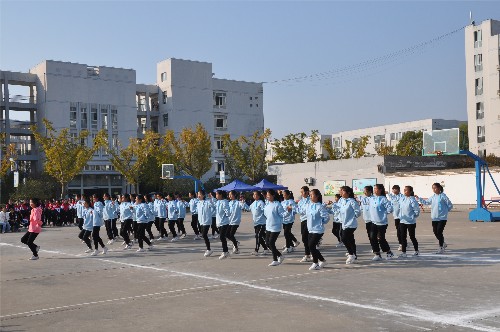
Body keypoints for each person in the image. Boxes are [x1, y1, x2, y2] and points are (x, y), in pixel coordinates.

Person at [416, 182, 453, 254]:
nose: (434, 189)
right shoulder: (433, 197)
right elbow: (426, 202)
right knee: (435, 232)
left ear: (439, 188)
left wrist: (445, 211)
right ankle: (443, 243)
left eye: (435, 188)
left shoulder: (443, 196)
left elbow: (450, 205)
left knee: (439, 231)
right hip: (434, 217)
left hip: (442, 218)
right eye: (433, 188)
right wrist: (419, 198)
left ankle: (441, 247)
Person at [369, 184, 395, 261]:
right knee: (372, 238)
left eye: (376, 189)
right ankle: (377, 253)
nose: (374, 190)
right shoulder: (372, 198)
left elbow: (390, 208)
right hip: (374, 222)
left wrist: (384, 213)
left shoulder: (384, 199)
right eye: (374, 189)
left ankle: (389, 252)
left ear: (380, 190)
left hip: (382, 222)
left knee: (380, 238)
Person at [306, 189, 330, 270]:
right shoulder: (309, 205)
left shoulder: (320, 206)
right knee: (311, 247)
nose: (310, 196)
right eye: (310, 195)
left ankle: (315, 263)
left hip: (318, 230)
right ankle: (323, 260)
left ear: (317, 196)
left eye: (312, 195)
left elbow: (326, 217)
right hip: (310, 229)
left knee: (311, 245)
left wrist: (321, 222)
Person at [338, 186, 361, 264]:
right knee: (350, 239)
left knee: (344, 238)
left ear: (348, 193)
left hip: (351, 224)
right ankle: (354, 254)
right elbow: (338, 209)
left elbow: (358, 211)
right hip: (343, 222)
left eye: (343, 191)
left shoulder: (352, 201)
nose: (341, 192)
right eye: (340, 191)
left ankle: (351, 254)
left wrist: (352, 217)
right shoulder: (341, 200)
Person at [264, 189, 287, 266]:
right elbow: (266, 214)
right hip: (268, 226)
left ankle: (275, 260)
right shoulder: (267, 204)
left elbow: (282, 214)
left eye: (268, 195)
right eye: (267, 195)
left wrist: (288, 211)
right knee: (267, 243)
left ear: (273, 195)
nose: (267, 196)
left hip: (276, 227)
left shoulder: (277, 204)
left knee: (271, 243)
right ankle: (280, 255)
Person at [243, 191, 269, 256]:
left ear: (259, 196)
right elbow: (248, 208)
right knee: (260, 236)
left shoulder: (261, 203)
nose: (254, 196)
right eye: (253, 195)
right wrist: (244, 204)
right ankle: (266, 248)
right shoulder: (254, 203)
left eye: (255, 194)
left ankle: (256, 250)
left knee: (258, 236)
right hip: (256, 223)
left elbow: (265, 211)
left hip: (261, 223)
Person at [398, 186, 421, 257]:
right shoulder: (402, 199)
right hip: (402, 221)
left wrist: (412, 217)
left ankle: (416, 250)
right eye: (404, 190)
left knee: (412, 236)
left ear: (410, 191)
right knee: (403, 237)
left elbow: (417, 211)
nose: (404, 191)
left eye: (406, 190)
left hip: (410, 222)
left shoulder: (412, 200)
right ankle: (404, 252)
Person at [197, 190, 215, 257]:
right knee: (204, 235)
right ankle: (208, 249)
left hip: (207, 221)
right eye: (198, 194)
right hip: (201, 221)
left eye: (199, 194)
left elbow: (214, 206)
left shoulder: (207, 202)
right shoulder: (198, 203)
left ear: (203, 195)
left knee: (204, 234)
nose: (198, 195)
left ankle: (209, 249)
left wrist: (212, 198)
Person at [297, 186, 312, 263]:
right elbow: (298, 210)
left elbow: (307, 210)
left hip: (309, 220)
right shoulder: (300, 201)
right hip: (303, 220)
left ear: (307, 192)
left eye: (303, 192)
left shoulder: (310, 200)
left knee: (307, 238)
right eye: (301, 192)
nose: (302, 193)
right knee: (304, 238)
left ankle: (308, 254)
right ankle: (309, 253)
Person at [388, 185, 404, 251]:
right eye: (393, 189)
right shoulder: (392, 197)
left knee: (402, 231)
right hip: (396, 217)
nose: (394, 190)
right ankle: (401, 243)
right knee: (398, 231)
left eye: (395, 189)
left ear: (398, 190)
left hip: (402, 216)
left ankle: (402, 243)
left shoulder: (402, 197)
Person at [215, 190, 231, 259]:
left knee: (222, 237)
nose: (216, 196)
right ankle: (225, 251)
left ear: (221, 195)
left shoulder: (225, 202)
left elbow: (228, 212)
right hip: (219, 222)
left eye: (217, 194)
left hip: (224, 222)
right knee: (222, 237)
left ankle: (225, 252)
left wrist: (227, 213)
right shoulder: (218, 202)